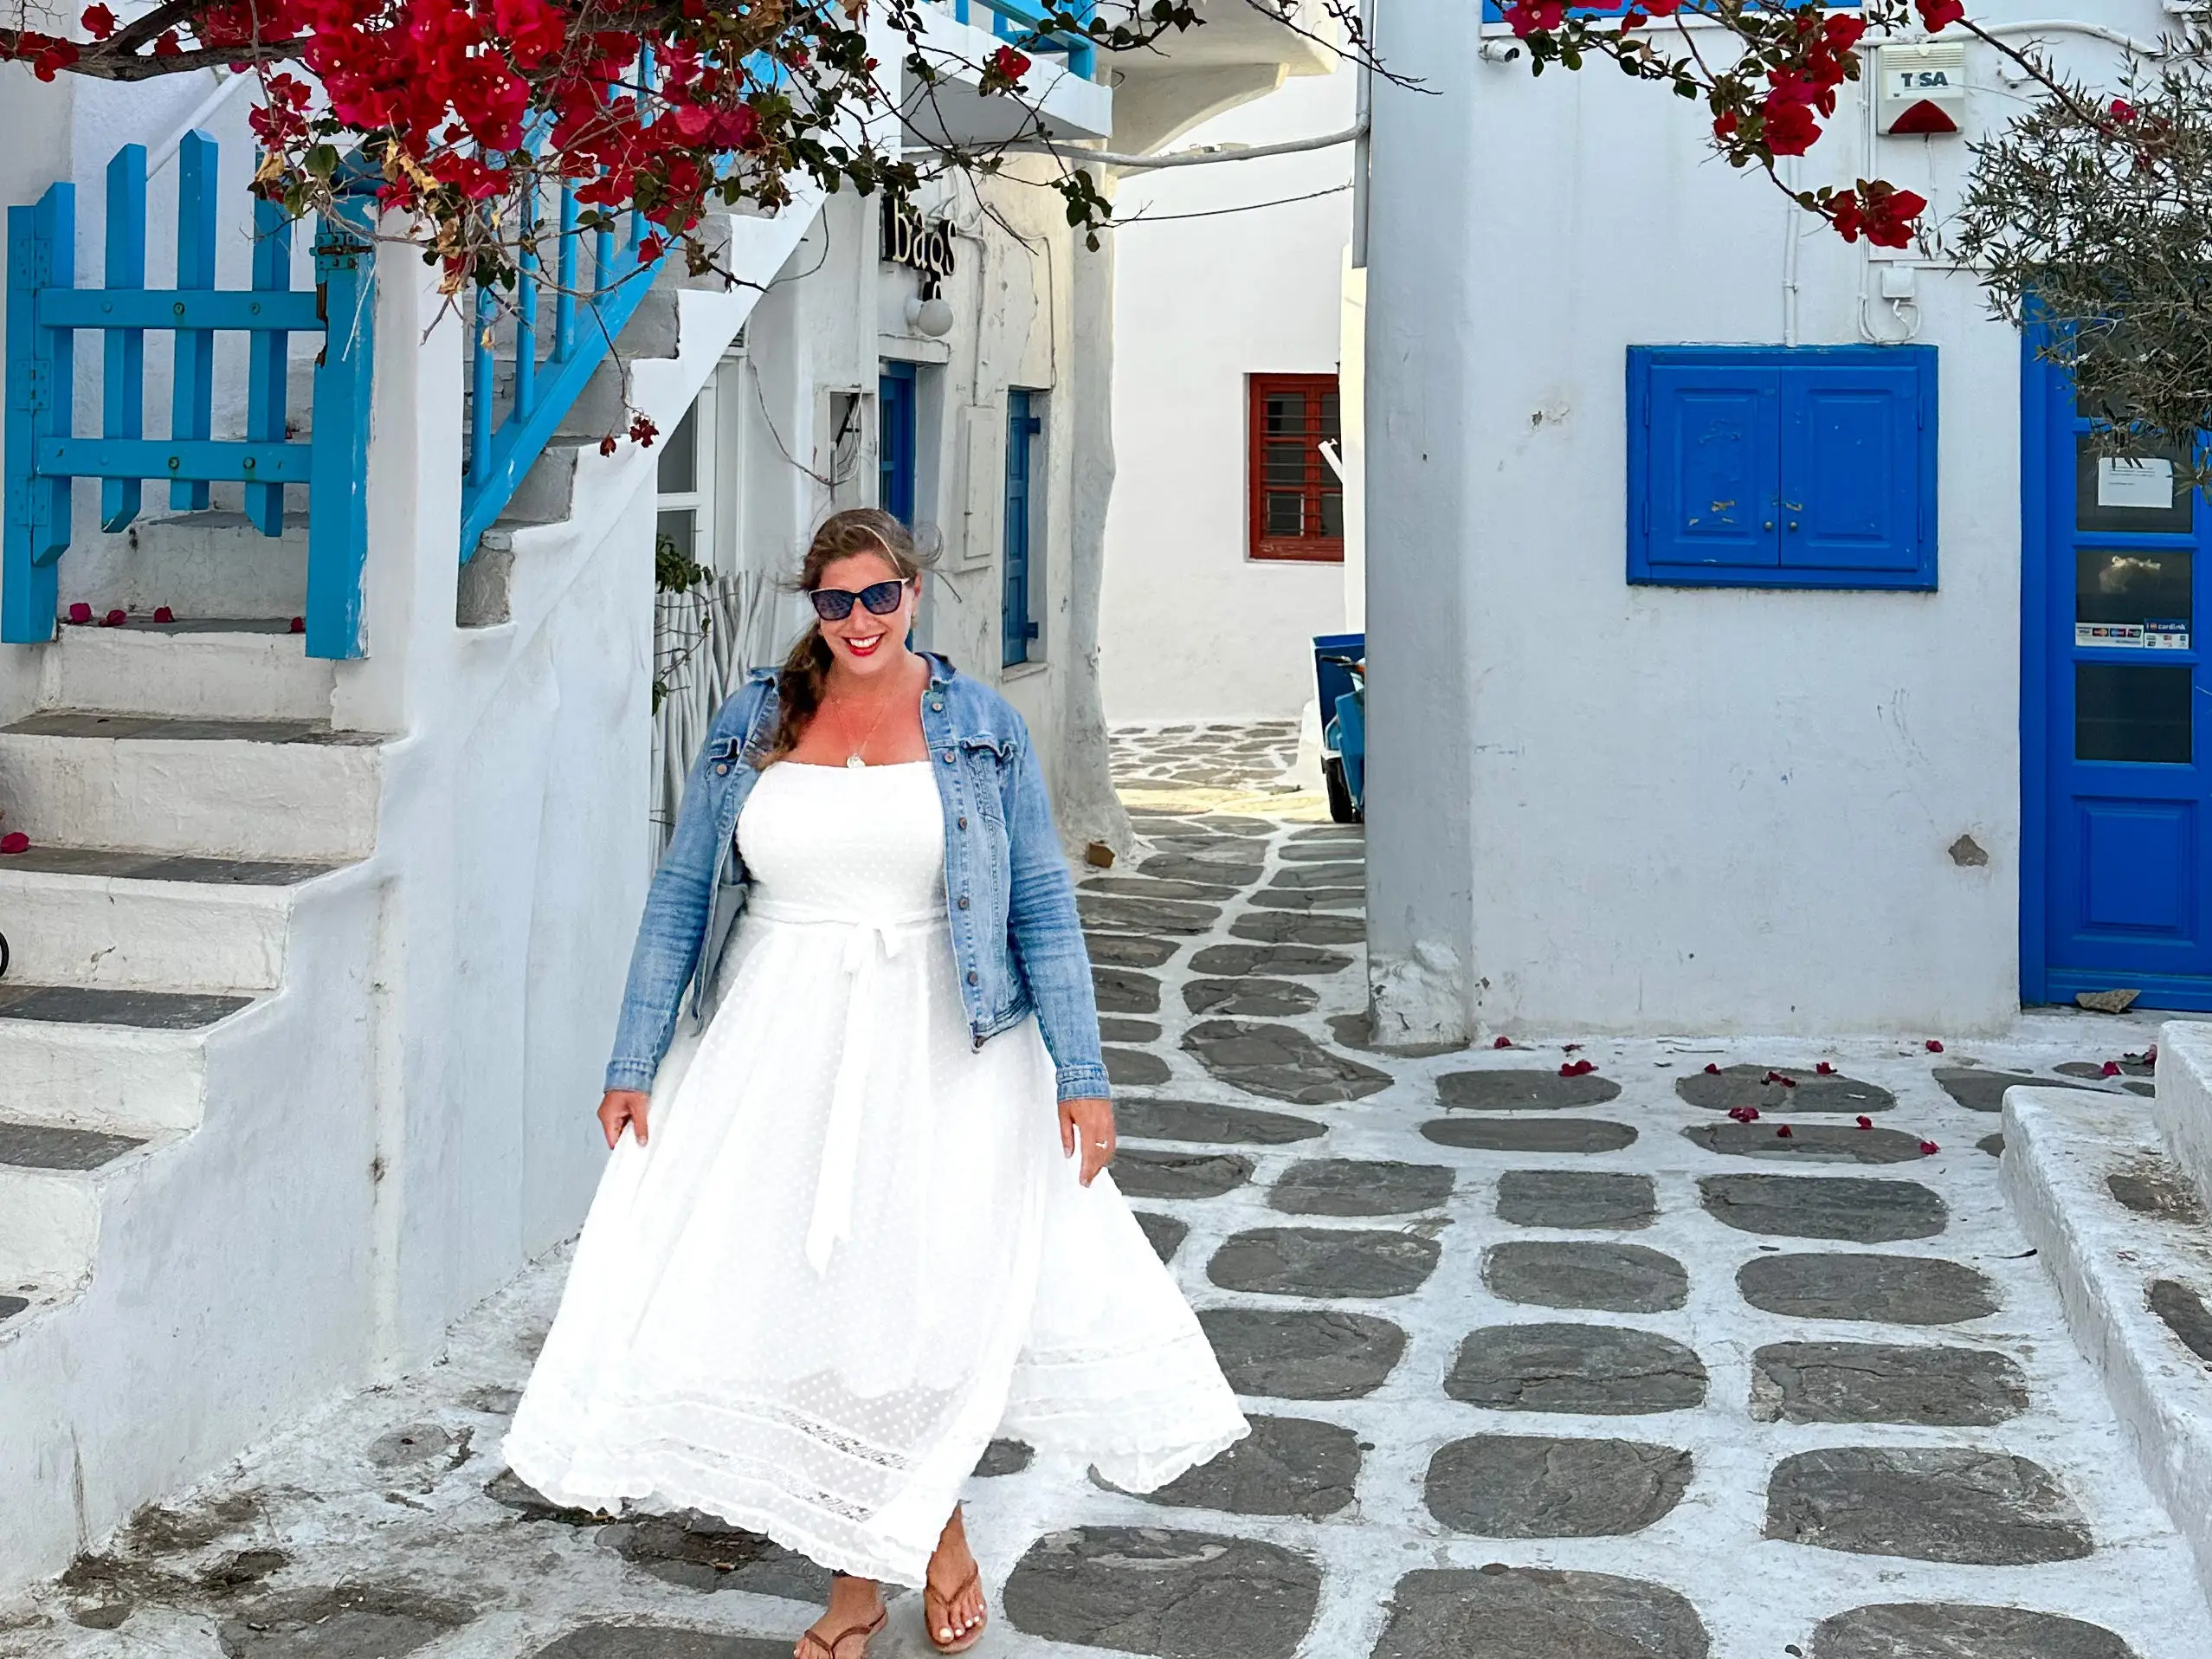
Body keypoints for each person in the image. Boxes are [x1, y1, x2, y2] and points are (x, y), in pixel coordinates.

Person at [504, 508, 1248, 1656]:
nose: (859, 621)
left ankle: (888, 1559)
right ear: (814, 607)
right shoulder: (758, 716)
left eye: (879, 596)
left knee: (916, 1305)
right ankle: (901, 1555)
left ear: (913, 591)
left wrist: (1084, 1077)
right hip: (773, 1043)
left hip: (946, 1044)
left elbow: (1040, 902)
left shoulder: (983, 726)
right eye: (835, 601)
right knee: (808, 1302)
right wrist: (632, 1057)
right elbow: (682, 890)